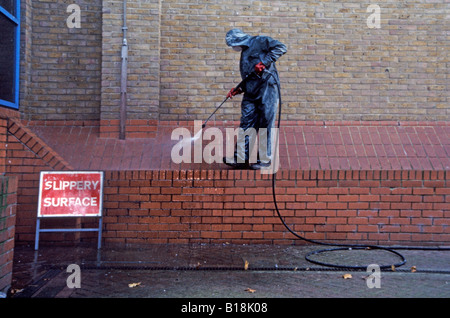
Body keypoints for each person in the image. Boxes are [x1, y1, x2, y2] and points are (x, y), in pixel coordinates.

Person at [223, 29, 287, 170]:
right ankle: (240, 158)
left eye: (233, 44)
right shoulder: (244, 54)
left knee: (265, 123)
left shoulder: (260, 41)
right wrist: (240, 88)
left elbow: (281, 47)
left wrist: (264, 62)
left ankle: (265, 159)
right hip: (251, 92)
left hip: (267, 89)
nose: (234, 47)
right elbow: (251, 76)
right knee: (246, 123)